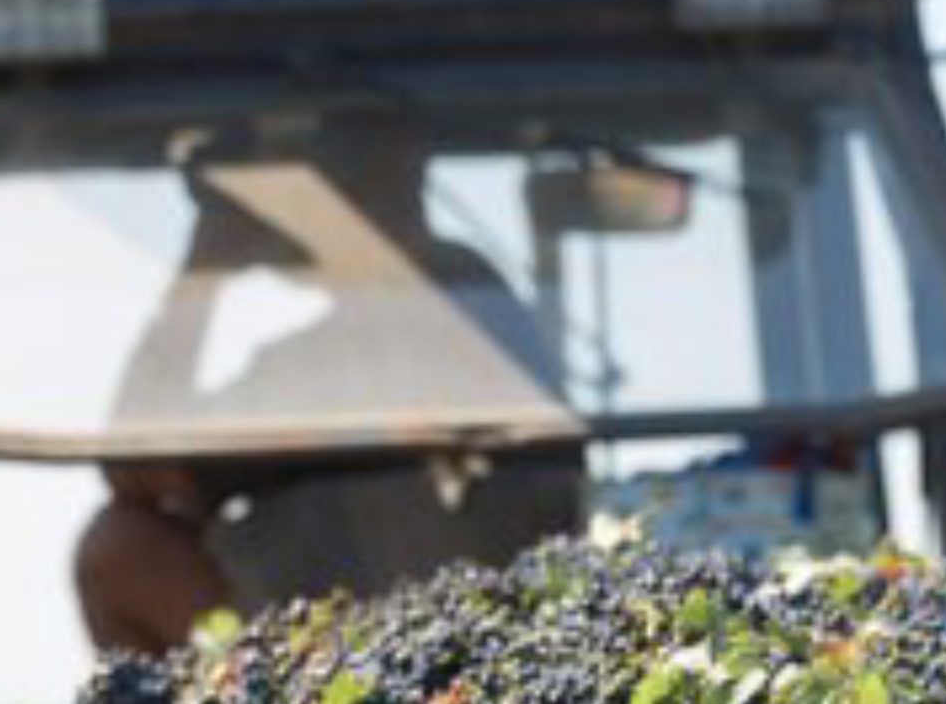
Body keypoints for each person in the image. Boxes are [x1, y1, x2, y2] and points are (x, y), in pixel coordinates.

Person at [75, 123, 585, 651]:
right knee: (119, 546)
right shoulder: (297, 365)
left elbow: (402, 304)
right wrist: (203, 274)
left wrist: (305, 221)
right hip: (300, 681)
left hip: (460, 660)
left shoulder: (458, 291)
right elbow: (137, 468)